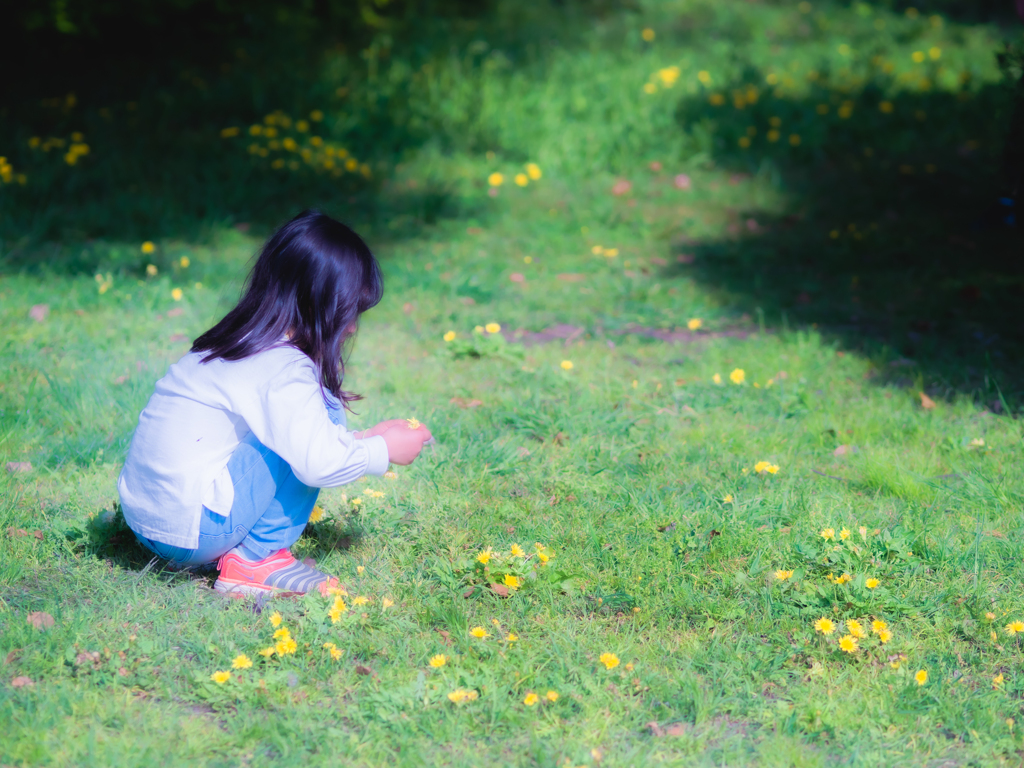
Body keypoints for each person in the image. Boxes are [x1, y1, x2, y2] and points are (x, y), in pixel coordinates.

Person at [117, 210, 432, 597]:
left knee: (306, 422)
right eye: (349, 313)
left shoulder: (235, 340)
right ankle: (254, 560)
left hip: (146, 519)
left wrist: (367, 437)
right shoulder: (284, 366)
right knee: (321, 409)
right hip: (192, 532)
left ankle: (243, 552)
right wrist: (382, 451)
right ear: (318, 304)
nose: (352, 328)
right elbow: (315, 462)